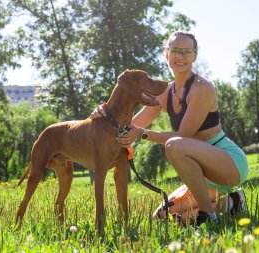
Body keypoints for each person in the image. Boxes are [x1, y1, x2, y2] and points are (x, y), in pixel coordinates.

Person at [90, 31, 249, 226]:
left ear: (194, 56)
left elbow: (183, 136)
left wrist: (142, 134)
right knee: (162, 218)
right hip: (202, 175)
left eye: (186, 52)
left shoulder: (202, 88)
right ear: (167, 55)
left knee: (174, 145)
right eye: (175, 51)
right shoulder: (165, 92)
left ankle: (208, 215)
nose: (180, 56)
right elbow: (132, 124)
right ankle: (232, 202)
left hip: (227, 162)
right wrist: (104, 115)